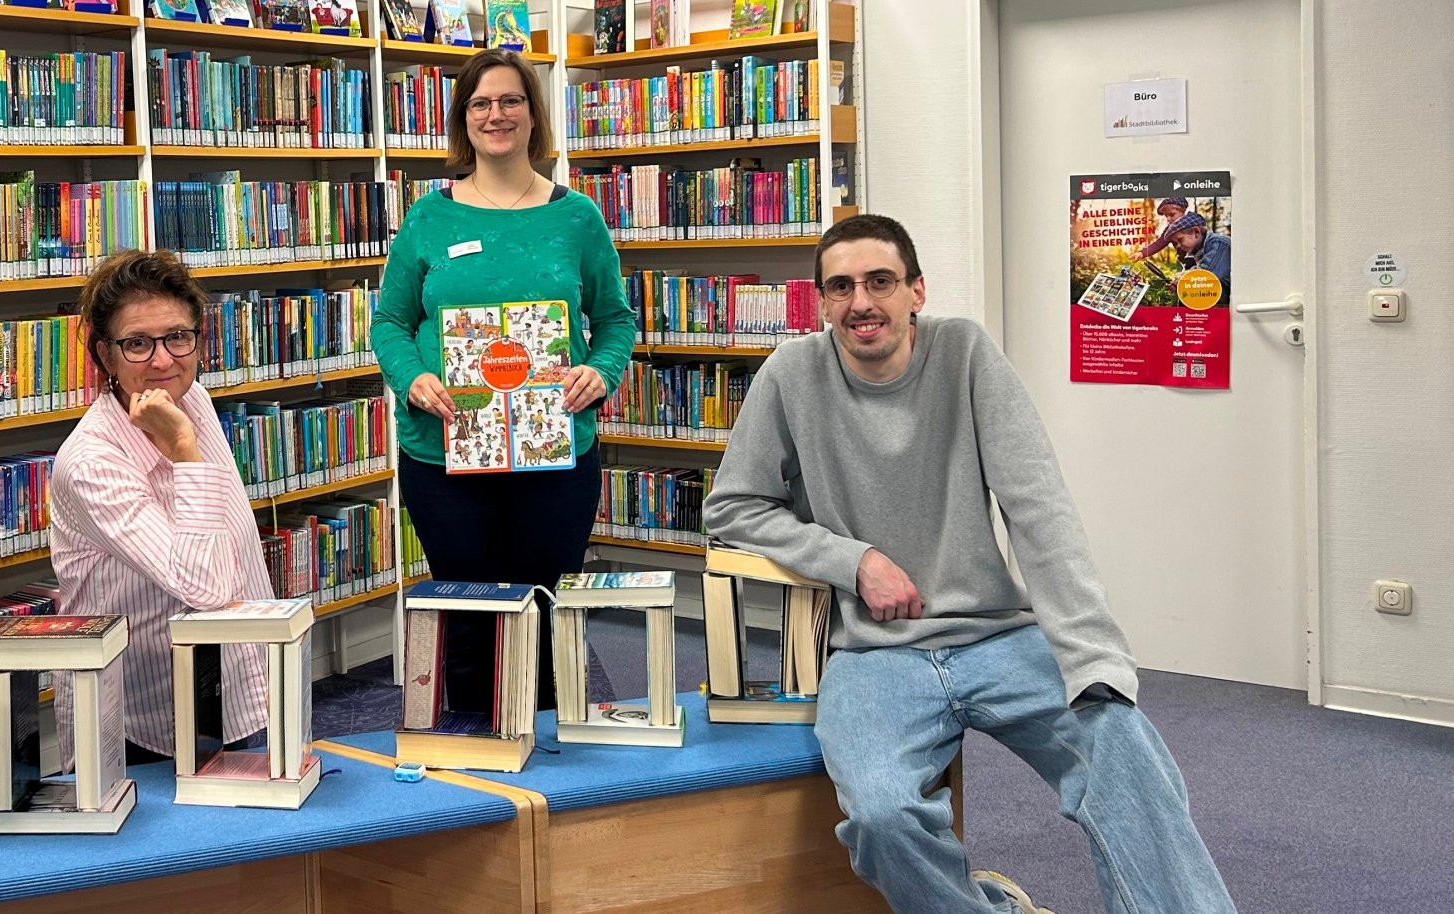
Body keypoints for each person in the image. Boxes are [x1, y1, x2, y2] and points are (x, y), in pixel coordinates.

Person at [702, 214, 1238, 914]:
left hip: (998, 636)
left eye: (881, 282)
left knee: (1126, 753)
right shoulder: (791, 374)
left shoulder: (965, 353)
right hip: (875, 654)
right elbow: (734, 509)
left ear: (917, 290)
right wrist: (854, 560)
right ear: (821, 302)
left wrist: (1094, 658)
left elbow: (1038, 510)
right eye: (840, 287)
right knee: (880, 817)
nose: (861, 301)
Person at [370, 48, 637, 713]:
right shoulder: (430, 217)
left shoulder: (577, 217)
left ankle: (551, 765)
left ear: (532, 112)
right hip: (445, 456)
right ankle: (472, 762)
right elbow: (389, 325)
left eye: (511, 100)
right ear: (464, 118)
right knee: (467, 613)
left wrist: (599, 373)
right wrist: (414, 379)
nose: (497, 115)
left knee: (545, 609)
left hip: (554, 455)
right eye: (481, 103)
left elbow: (614, 321)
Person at [49, 249, 272, 766]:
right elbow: (207, 588)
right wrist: (185, 452)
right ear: (105, 356)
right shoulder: (91, 463)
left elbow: (233, 540)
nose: (163, 360)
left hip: (236, 687)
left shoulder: (195, 401)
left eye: (177, 336)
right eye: (137, 344)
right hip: (141, 724)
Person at [1153, 212, 1233, 305]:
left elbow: (1204, 276)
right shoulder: (1200, 250)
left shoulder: (1218, 243)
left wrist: (1181, 281)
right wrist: (1178, 281)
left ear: (1196, 232)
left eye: (1180, 240)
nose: (1178, 246)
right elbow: (1196, 271)